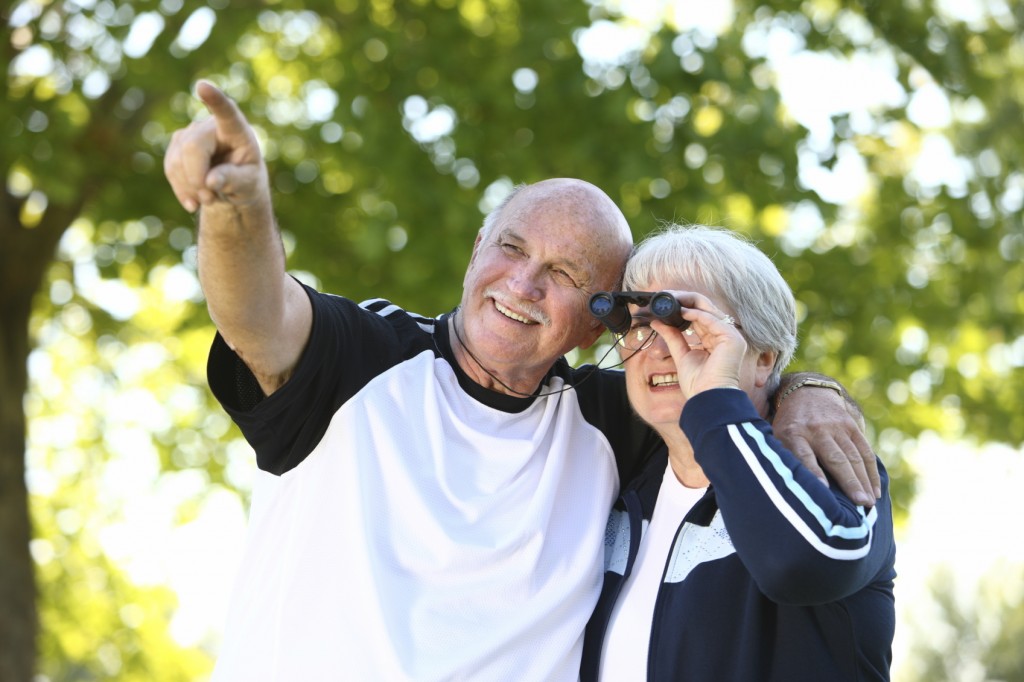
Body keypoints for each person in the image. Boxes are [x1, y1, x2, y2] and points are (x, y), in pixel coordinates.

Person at [163, 81, 881, 681]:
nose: (523, 284)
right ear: (479, 247)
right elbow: (256, 315)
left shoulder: (613, 418)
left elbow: (717, 386)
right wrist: (240, 207)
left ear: (599, 325)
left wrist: (804, 390)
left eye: (566, 275)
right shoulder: (360, 358)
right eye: (511, 247)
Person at [580, 225, 896, 681]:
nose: (660, 349)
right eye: (637, 325)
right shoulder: (620, 478)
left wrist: (714, 398)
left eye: (685, 322)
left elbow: (807, 563)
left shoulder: (825, 464)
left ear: (763, 358)